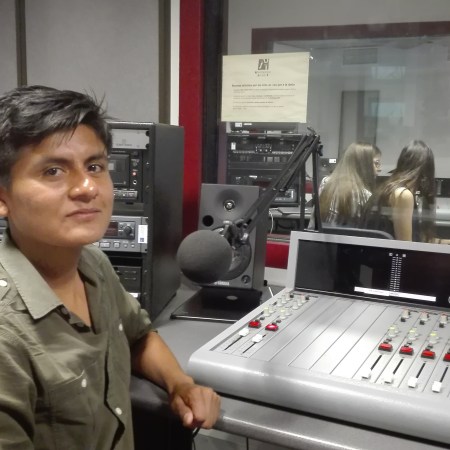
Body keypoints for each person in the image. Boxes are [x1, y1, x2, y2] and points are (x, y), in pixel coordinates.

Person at [0, 85, 221, 449]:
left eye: (95, 167)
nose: (87, 187)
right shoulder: (8, 337)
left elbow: (138, 336)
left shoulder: (93, 263)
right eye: (53, 171)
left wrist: (180, 383)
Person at [360, 140, 436, 242]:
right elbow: (405, 245)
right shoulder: (403, 194)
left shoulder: (387, 188)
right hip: (386, 252)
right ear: (426, 170)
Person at [309, 142, 382, 229]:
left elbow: (314, 222)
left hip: (318, 237)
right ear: (363, 164)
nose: (379, 169)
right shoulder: (365, 195)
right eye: (376, 163)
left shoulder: (326, 182)